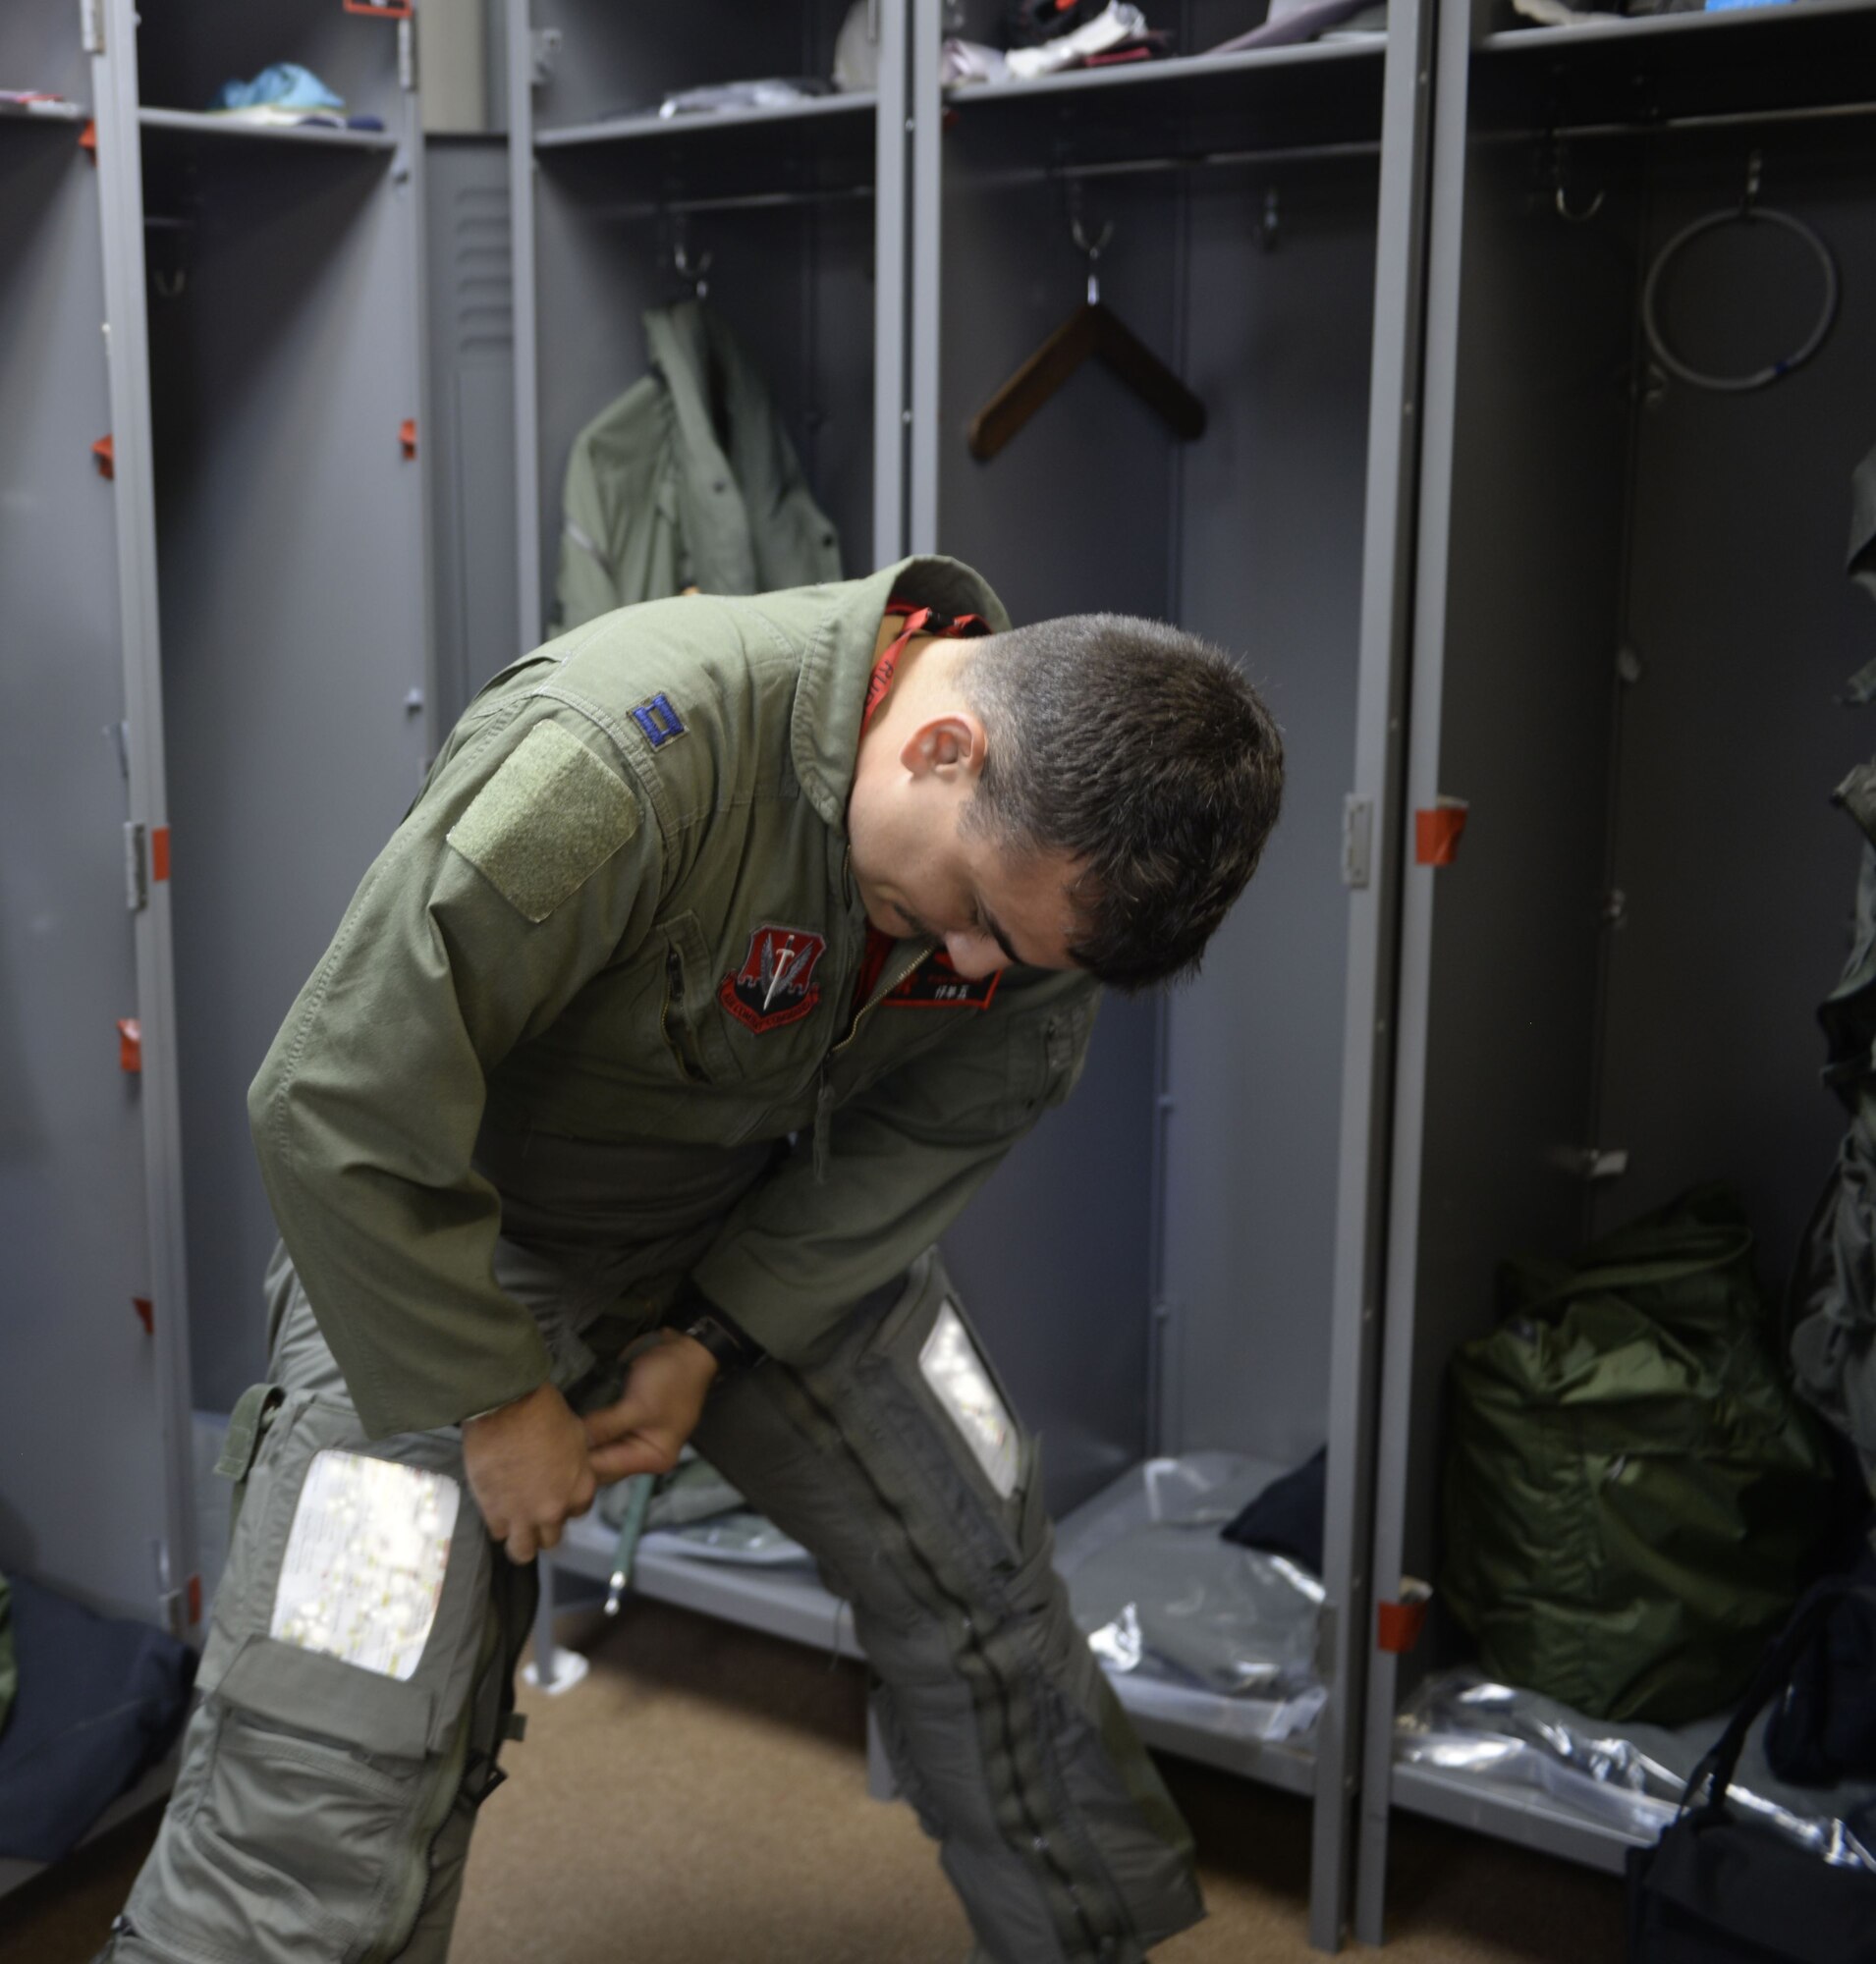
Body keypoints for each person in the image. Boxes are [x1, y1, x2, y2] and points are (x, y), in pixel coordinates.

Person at [99, 555, 1284, 1964]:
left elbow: (958, 1115)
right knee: (343, 1717)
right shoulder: (624, 751)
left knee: (984, 1573)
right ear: (943, 745)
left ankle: (1090, 1938)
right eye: (966, 910)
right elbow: (335, 1100)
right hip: (453, 1256)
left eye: (1013, 953)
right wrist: (493, 1397)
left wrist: (710, 1337)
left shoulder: (1050, 864)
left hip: (759, 1229)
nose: (973, 966)